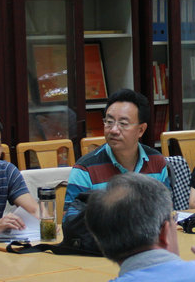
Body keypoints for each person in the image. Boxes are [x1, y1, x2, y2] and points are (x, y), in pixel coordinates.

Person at [63, 88, 169, 221]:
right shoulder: (85, 169)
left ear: (141, 130)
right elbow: (70, 222)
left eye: (123, 124)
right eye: (109, 122)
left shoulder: (157, 162)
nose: (113, 130)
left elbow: (166, 213)